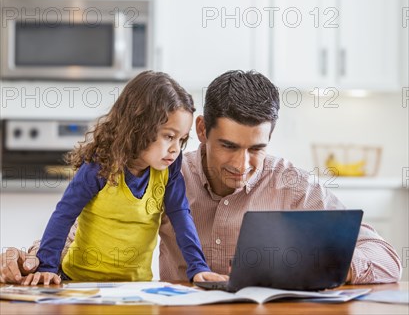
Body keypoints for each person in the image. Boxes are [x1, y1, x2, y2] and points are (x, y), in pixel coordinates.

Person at [1, 71, 401, 285]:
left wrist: (335, 263)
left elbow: (387, 260)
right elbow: (89, 231)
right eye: (229, 146)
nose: (243, 164)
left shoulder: (292, 185)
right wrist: (31, 259)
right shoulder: (168, 172)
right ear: (203, 129)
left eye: (256, 149)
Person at [7, 71, 226, 286]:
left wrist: (198, 268)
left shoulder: (169, 170)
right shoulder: (100, 166)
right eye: (169, 136)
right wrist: (47, 266)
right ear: (139, 127)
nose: (175, 149)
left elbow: (181, 216)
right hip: (78, 281)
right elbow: (64, 214)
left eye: (182, 139)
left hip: (134, 287)